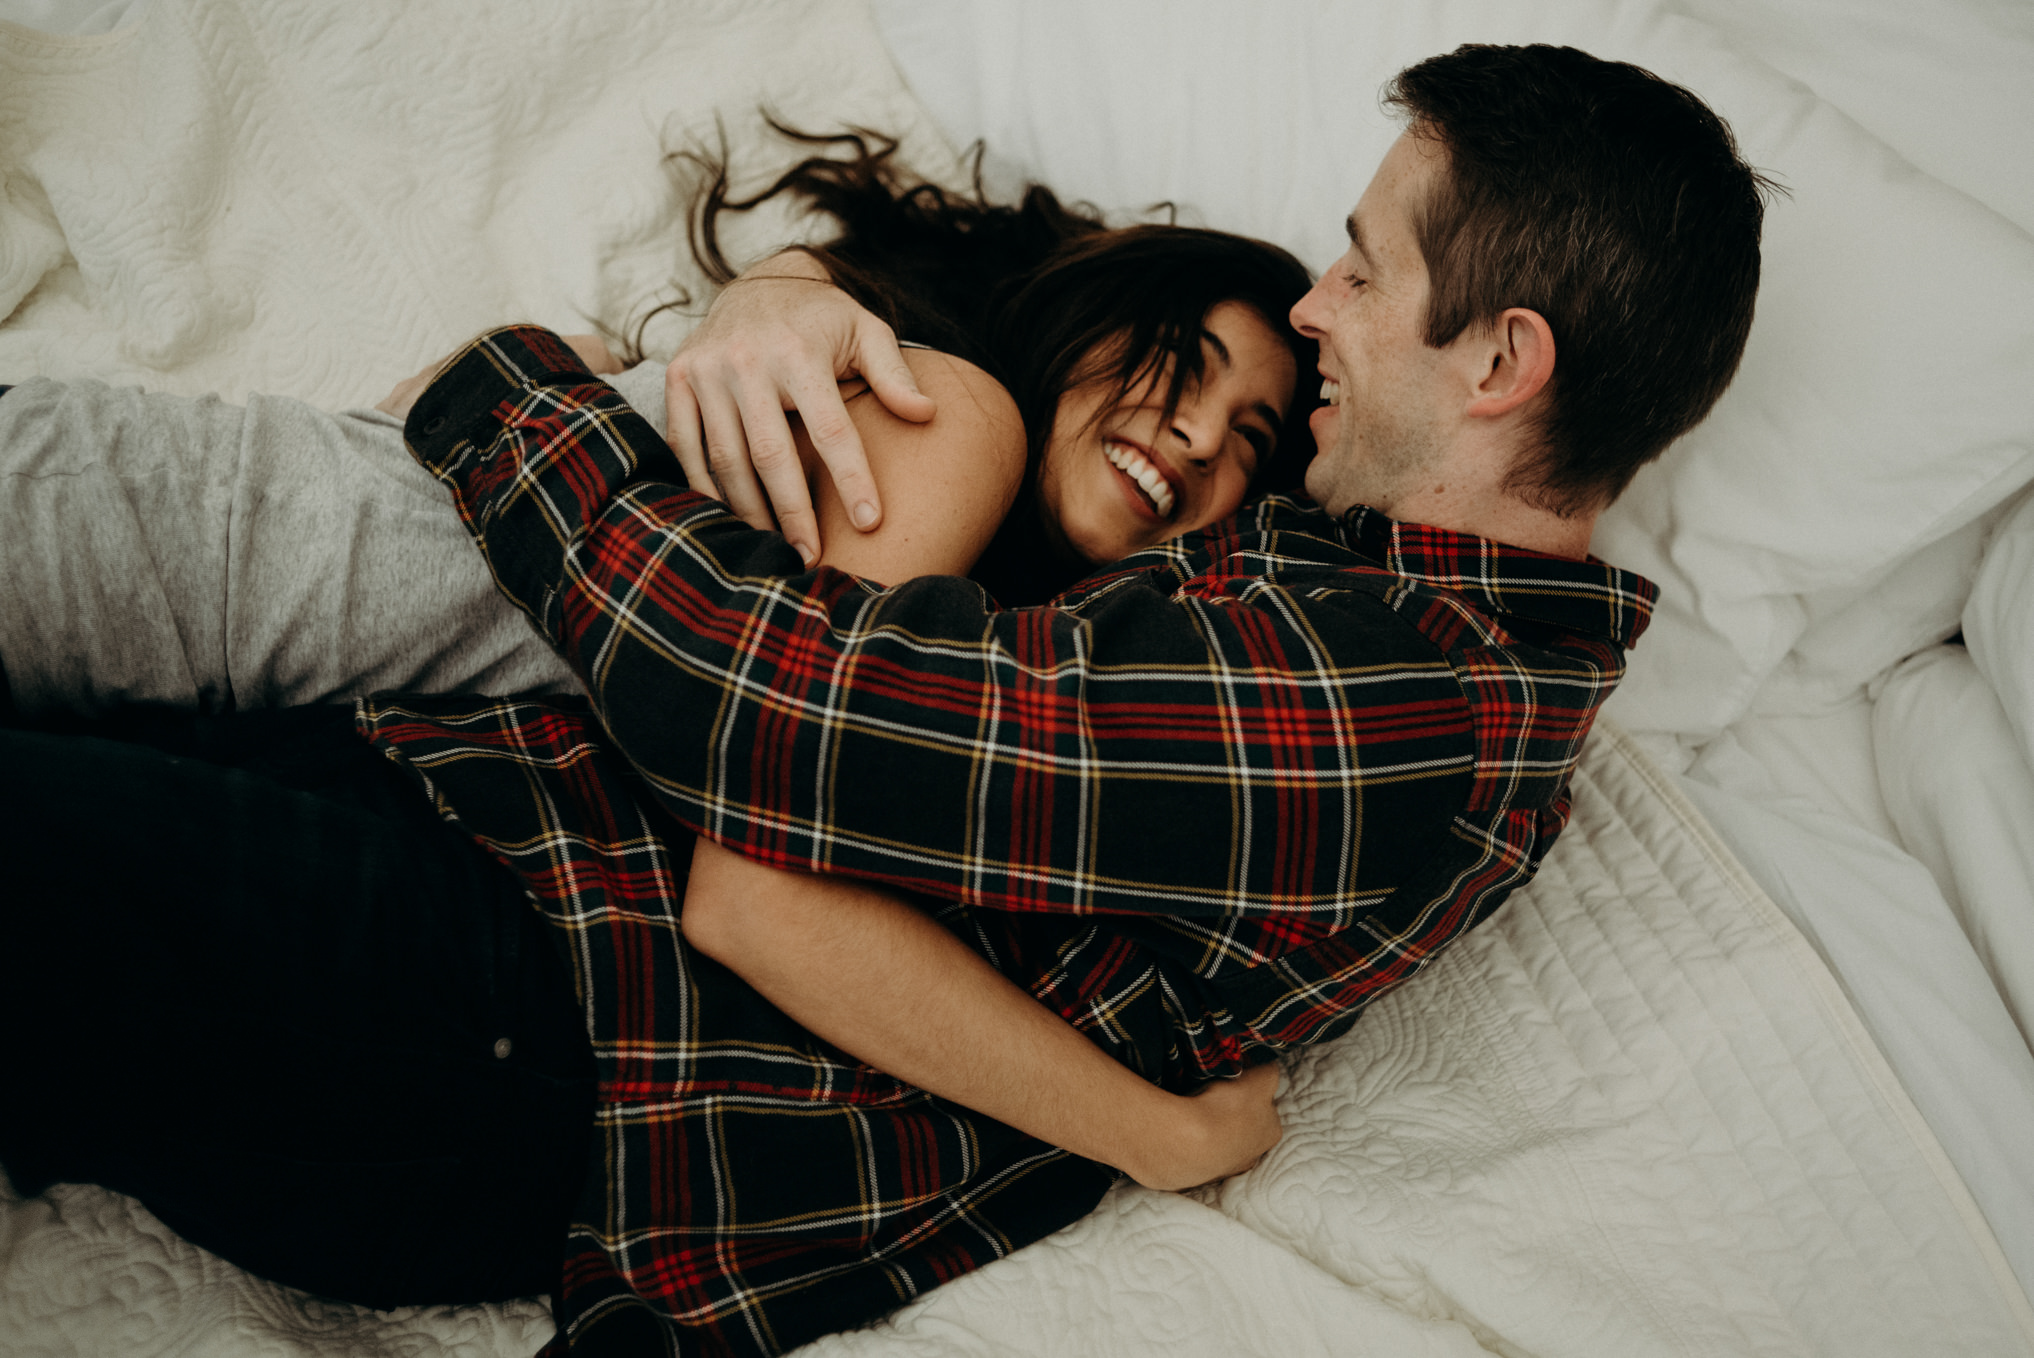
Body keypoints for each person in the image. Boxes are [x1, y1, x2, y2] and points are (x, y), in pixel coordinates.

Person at [4, 41, 1768, 1358]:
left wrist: (498, 397)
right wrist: (777, 295)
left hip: (540, 1030)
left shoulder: (1390, 719)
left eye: (1368, 269)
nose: (1318, 310)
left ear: (1501, 360)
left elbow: (776, 739)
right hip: (495, 836)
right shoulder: (1359, 616)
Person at [1, 128, 1315, 1353]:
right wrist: (1153, 1131)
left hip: (233, 670)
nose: (1199, 440)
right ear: (1087, 314)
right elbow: (752, 846)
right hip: (144, 545)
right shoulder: (955, 417)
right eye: (1180, 362)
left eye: (1249, 444)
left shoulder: (969, 623)